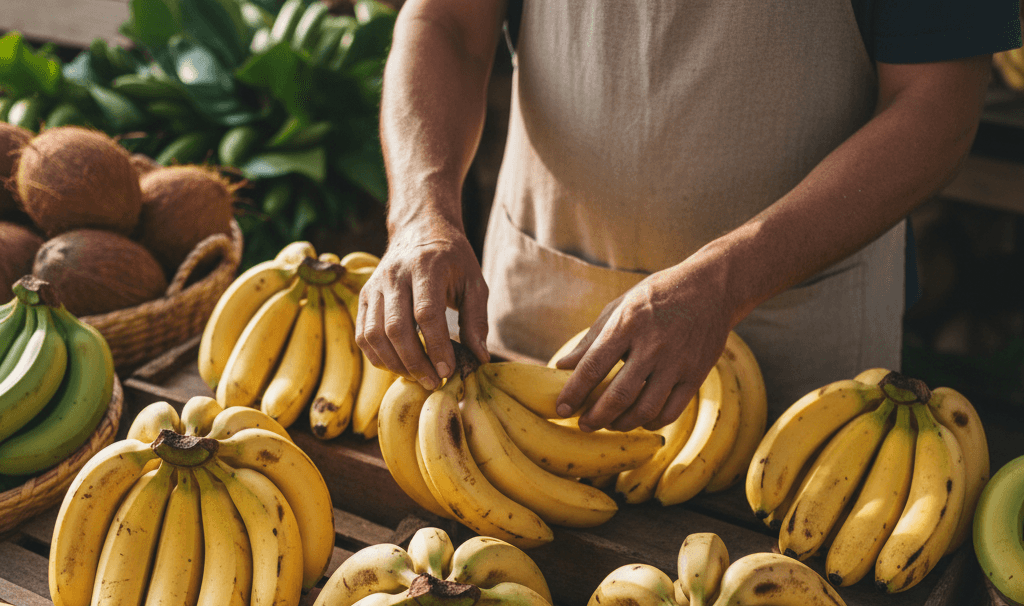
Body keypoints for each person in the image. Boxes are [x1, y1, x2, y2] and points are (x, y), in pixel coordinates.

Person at [354, 0, 1022, 431]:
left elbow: (935, 107)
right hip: (536, 321)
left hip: (794, 359)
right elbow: (446, 24)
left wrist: (729, 280)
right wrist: (421, 212)